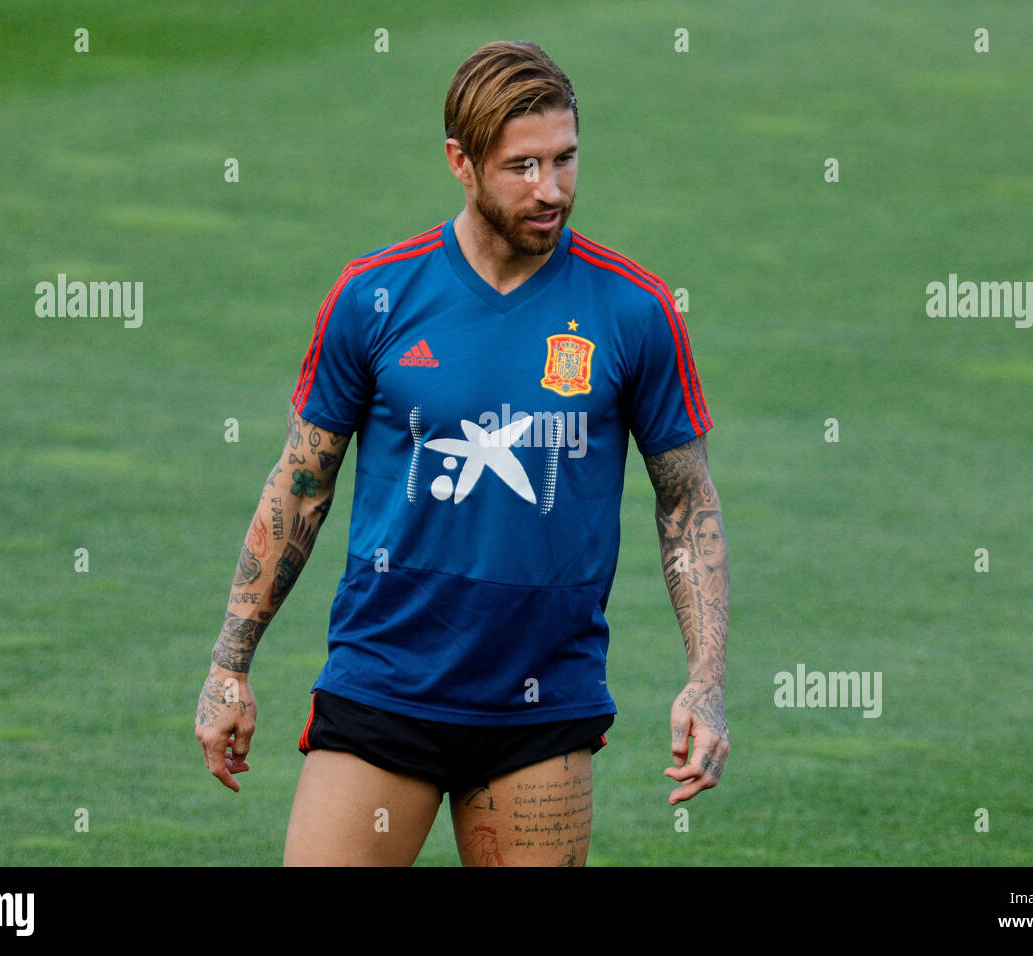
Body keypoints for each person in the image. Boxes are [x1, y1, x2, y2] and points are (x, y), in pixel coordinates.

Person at [195, 40, 729, 867]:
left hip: (542, 706)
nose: (550, 190)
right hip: (384, 684)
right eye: (522, 166)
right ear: (460, 161)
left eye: (565, 160)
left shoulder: (633, 309)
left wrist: (706, 679)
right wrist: (230, 664)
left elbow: (685, 500)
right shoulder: (376, 297)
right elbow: (301, 484)